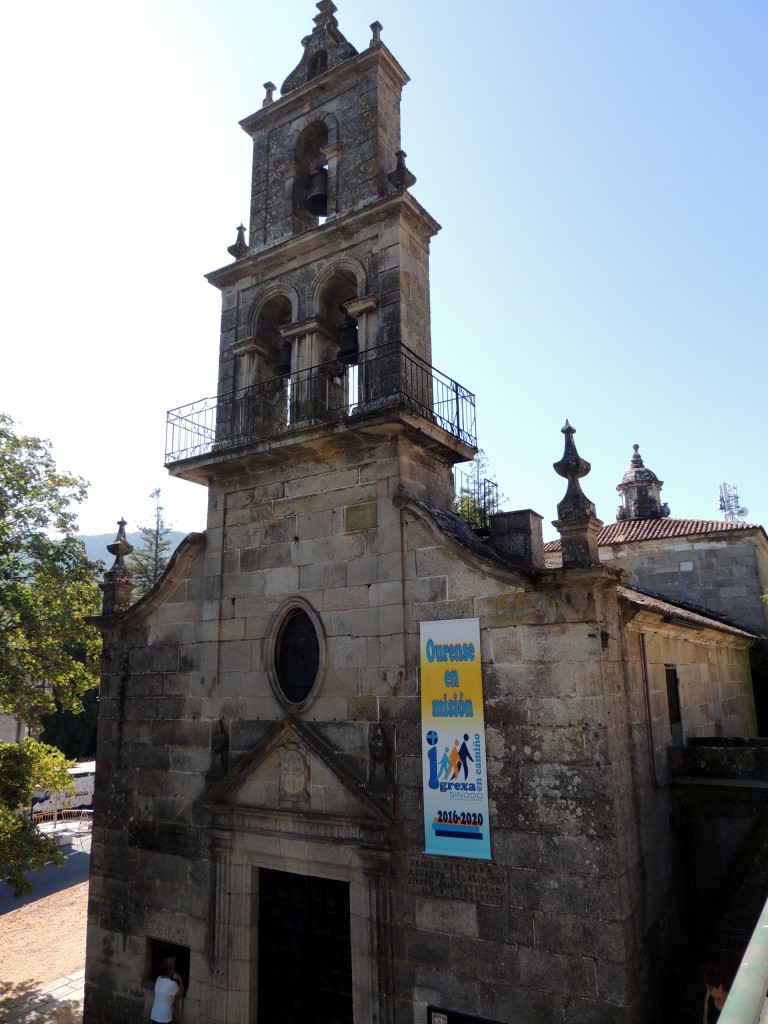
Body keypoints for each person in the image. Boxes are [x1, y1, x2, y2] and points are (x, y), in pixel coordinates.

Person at [151, 957, 185, 1024]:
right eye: (172, 968)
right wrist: (180, 979)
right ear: (170, 971)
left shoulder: (159, 979)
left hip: (154, 1015)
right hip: (164, 1018)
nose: (174, 969)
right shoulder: (172, 984)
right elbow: (181, 993)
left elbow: (167, 987)